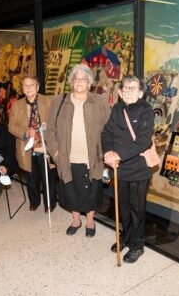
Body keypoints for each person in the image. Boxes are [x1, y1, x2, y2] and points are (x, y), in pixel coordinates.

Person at [45, 64, 111, 237]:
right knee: (71, 191)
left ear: (89, 82)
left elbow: (109, 129)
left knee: (92, 192)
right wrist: (56, 153)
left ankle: (90, 220)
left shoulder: (99, 101)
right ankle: (76, 220)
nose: (79, 81)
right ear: (71, 82)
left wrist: (106, 152)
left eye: (83, 79)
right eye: (76, 78)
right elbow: (50, 131)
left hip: (93, 157)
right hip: (67, 157)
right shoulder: (59, 101)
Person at [102, 75, 154, 263]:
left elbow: (143, 141)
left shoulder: (146, 110)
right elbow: (107, 132)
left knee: (137, 209)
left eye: (134, 88)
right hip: (120, 169)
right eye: (126, 88)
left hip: (139, 170)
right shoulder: (117, 109)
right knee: (123, 207)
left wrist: (118, 154)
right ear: (121, 92)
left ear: (141, 92)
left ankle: (138, 244)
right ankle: (126, 237)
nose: (129, 91)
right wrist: (108, 152)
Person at [9, 75, 57, 212]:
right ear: (22, 89)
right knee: (31, 175)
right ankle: (34, 201)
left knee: (48, 175)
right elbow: (11, 126)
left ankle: (50, 203)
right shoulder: (16, 105)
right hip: (27, 146)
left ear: (38, 87)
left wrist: (48, 126)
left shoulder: (48, 101)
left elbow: (56, 121)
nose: (29, 88)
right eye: (25, 85)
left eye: (32, 85)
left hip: (45, 145)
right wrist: (25, 132)